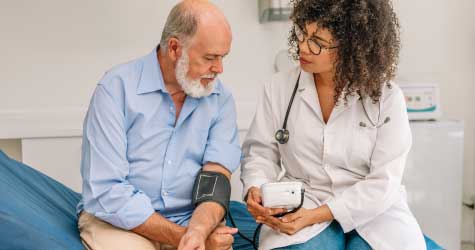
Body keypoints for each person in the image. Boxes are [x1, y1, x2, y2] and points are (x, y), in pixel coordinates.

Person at [241, 0, 426, 249]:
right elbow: (260, 154)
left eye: (317, 42)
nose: (303, 48)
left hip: (374, 210)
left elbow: (384, 181)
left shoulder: (386, 98)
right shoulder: (279, 89)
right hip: (304, 198)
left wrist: (321, 214)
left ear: (352, 47)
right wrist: (255, 187)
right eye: (301, 34)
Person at [76, 1, 241, 249]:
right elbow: (107, 191)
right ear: (174, 48)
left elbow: (216, 179)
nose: (219, 69)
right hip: (118, 222)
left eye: (222, 57)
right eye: (210, 58)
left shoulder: (220, 99)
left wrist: (198, 230)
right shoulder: (115, 89)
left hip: (190, 221)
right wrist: (185, 238)